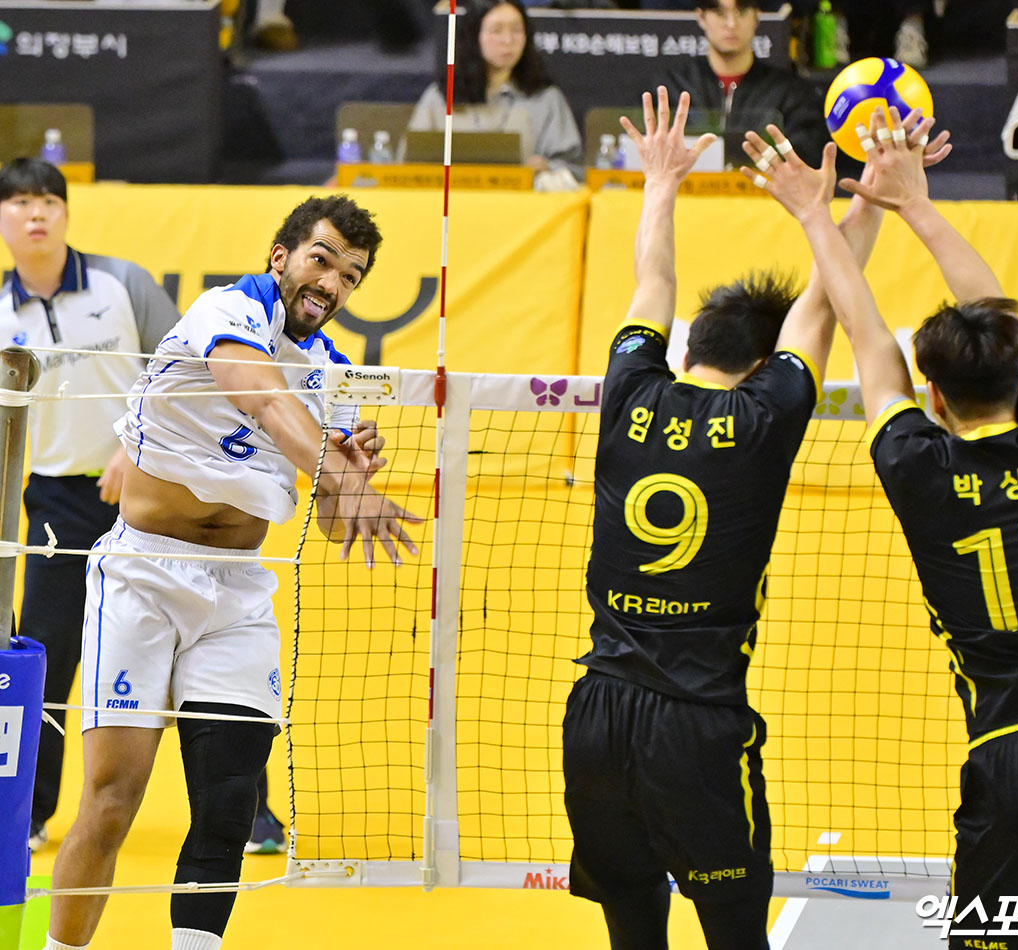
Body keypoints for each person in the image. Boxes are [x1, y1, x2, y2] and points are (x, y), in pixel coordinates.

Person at [743, 105, 1018, 948]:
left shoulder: (917, 465)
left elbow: (866, 333)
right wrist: (918, 204)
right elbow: (997, 315)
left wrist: (822, 215)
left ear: (934, 397)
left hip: (1014, 761)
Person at [43, 194, 421, 950]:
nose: (332, 284)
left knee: (227, 804)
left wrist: (347, 473)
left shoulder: (330, 373)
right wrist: (337, 473)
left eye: (350, 276)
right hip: (143, 577)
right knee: (111, 802)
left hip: (237, 593)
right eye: (321, 260)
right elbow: (262, 396)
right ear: (282, 257)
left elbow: (331, 522)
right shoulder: (228, 311)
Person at [561, 86, 890, 950]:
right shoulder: (763, 417)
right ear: (761, 363)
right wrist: (867, 200)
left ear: (690, 347)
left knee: (633, 933)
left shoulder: (629, 389)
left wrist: (660, 182)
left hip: (596, 715)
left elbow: (653, 281)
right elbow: (824, 304)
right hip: (697, 725)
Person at [0, 157, 180, 855]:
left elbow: (187, 373)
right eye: (19, 202)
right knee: (43, 659)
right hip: (54, 500)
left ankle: (247, 816)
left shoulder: (122, 283)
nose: (35, 213)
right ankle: (28, 815)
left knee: (190, 644)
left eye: (48, 200)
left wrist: (136, 446)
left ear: (67, 213)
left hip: (147, 487)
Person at [406, 0, 584, 185]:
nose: (507, 40)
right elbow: (408, 163)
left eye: (516, 30)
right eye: (496, 31)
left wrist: (548, 167)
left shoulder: (545, 98)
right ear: (474, 36)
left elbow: (575, 169)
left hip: (524, 199)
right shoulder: (441, 96)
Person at [664, 0, 828, 169]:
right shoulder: (672, 88)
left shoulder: (791, 94)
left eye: (741, 12)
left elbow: (804, 162)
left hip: (763, 185)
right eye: (719, 13)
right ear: (701, 17)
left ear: (756, 16)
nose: (731, 24)